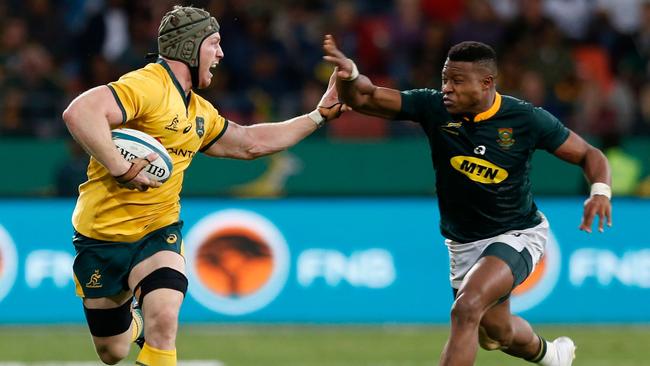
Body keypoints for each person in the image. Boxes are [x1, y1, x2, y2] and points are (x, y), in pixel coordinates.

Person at [62, 6, 345, 366]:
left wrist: (318, 115)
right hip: (101, 238)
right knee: (112, 352)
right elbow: (79, 112)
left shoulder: (198, 111)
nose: (221, 54)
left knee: (164, 318)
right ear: (190, 48)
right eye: (214, 44)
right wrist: (121, 168)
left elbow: (249, 142)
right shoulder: (148, 86)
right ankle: (131, 326)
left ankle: (148, 324)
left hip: (157, 231)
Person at [323, 35, 612, 366]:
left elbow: (590, 154)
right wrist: (350, 76)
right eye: (445, 78)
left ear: (487, 83)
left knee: (466, 307)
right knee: (496, 334)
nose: (447, 88)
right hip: (462, 244)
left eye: (457, 81)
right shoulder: (434, 108)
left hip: (516, 233)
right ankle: (552, 355)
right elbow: (365, 97)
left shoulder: (525, 119)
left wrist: (600, 191)